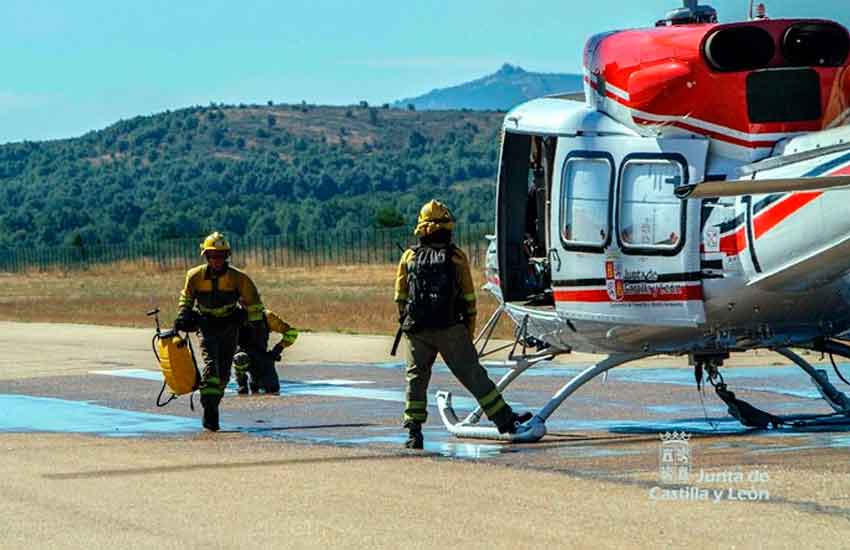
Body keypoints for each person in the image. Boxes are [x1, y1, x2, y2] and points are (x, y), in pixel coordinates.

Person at [394, 200, 532, 449]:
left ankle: (414, 432)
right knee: (474, 376)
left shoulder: (408, 257)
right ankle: (506, 421)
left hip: (417, 331)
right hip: (451, 329)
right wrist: (466, 333)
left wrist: (409, 324)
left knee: (416, 379)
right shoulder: (456, 257)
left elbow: (400, 297)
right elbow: (469, 299)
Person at [174, 231, 265, 431]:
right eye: (213, 256)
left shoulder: (239, 278)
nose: (216, 260)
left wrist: (255, 328)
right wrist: (183, 314)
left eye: (221, 255)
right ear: (206, 256)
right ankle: (210, 409)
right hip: (206, 326)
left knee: (223, 375)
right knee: (211, 367)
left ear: (227, 256)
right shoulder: (195, 276)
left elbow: (254, 304)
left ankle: (213, 402)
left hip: (230, 327)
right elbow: (187, 298)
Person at [234, 309, 299, 395]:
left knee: (273, 389)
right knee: (240, 358)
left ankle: (250, 385)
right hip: (242, 359)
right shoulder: (233, 316)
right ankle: (242, 385)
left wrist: (277, 350)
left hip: (264, 361)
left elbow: (291, 333)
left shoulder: (267, 316)